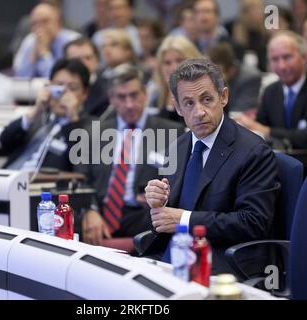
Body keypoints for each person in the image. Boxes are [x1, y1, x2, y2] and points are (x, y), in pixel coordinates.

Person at [144, 58, 280, 274]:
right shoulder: (178, 147)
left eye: (206, 99)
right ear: (178, 107)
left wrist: (184, 219)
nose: (199, 112)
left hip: (223, 260)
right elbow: (168, 216)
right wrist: (158, 202)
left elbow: (253, 222)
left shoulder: (254, 151)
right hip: (174, 254)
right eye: (188, 103)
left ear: (223, 97)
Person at [80, 63, 185, 246]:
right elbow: (82, 178)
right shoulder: (94, 132)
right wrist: (91, 209)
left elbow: (181, 180)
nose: (129, 104)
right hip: (102, 210)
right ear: (111, 98)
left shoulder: (172, 132)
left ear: (145, 94)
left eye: (134, 95)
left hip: (144, 213)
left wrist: (160, 196)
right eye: (121, 97)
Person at [235, 31, 307, 171]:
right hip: (279, 169)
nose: (282, 66)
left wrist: (268, 131)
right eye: (275, 59)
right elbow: (257, 132)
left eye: (287, 57)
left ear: (304, 58)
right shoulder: (271, 91)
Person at [0, 58, 95, 172]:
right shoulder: (39, 118)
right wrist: (36, 111)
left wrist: (72, 121)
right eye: (58, 86)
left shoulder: (92, 127)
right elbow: (4, 142)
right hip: (9, 180)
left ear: (85, 94)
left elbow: (83, 168)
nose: (63, 93)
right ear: (48, 86)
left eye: (72, 88)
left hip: (43, 186)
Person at [13, 2, 80, 78]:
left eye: (45, 21)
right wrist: (33, 55)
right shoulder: (30, 41)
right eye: (35, 23)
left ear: (58, 22)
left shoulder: (72, 41)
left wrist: (45, 54)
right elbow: (21, 77)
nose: (39, 27)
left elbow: (60, 79)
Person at [147, 35, 202, 123]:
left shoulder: (208, 92)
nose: (174, 68)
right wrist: (170, 102)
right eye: (167, 63)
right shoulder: (154, 96)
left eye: (180, 60)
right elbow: (160, 132)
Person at [208, 42, 261, 112]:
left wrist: (223, 83)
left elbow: (240, 112)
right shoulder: (210, 78)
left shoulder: (251, 78)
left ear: (230, 70)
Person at [64, 37, 109, 117]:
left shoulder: (107, 93)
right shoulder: (59, 87)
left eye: (88, 58)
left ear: (97, 61)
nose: (83, 63)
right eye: (77, 59)